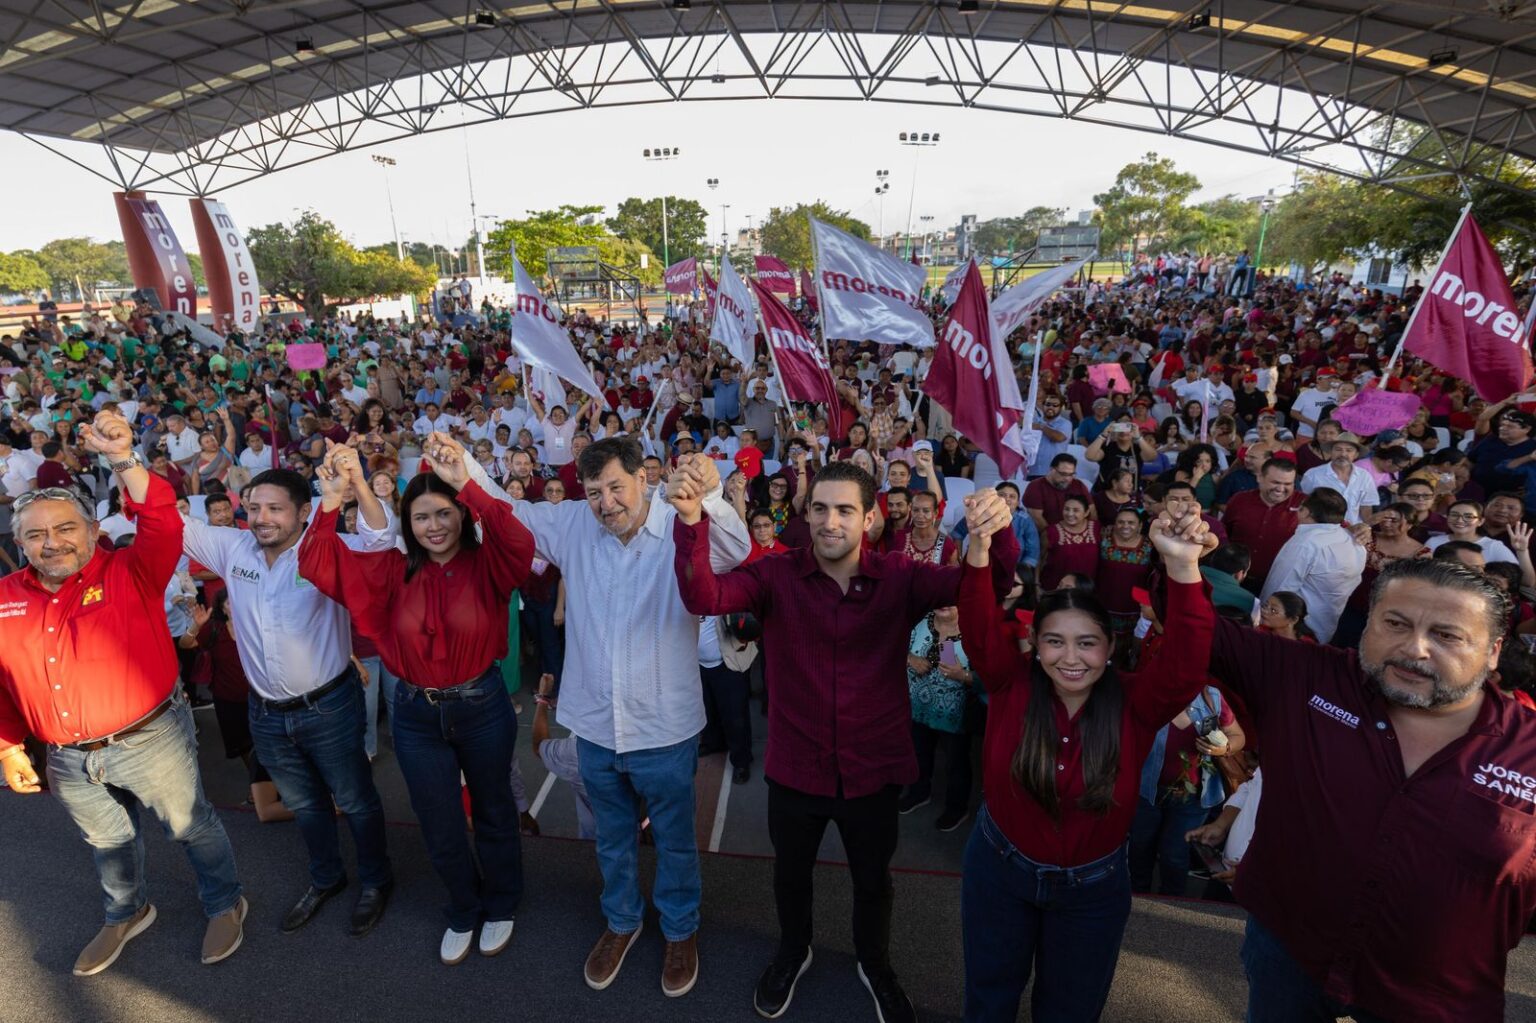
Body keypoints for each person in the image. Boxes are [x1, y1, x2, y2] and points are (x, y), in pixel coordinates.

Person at [671, 462, 1019, 1023]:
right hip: (795, 768)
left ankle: (875, 963)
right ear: (806, 515)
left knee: (873, 881)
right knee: (790, 875)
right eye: (820, 509)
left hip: (872, 769)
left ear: (870, 518)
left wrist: (993, 536)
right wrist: (691, 520)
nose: (831, 521)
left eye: (845, 510)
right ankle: (793, 950)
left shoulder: (902, 577)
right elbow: (703, 595)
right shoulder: (774, 575)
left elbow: (985, 586)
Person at [457, 437, 749, 998]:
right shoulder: (572, 525)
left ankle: (680, 930)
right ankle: (622, 921)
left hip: (664, 727)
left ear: (645, 478)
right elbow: (505, 508)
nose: (606, 503)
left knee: (674, 840)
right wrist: (461, 467)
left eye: (616, 487)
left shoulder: (680, 521)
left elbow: (734, 553)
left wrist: (710, 498)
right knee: (610, 839)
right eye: (594, 492)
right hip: (593, 725)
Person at [1203, 556, 1536, 1022]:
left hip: (1439, 995)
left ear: (1494, 651)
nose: (1415, 649)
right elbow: (1195, 630)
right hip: (1287, 952)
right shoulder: (1309, 677)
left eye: (1447, 635)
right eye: (1395, 623)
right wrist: (1180, 563)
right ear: (1366, 623)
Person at [0, 410, 246, 975]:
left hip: (149, 738)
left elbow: (161, 518)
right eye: (36, 534)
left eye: (66, 528)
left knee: (192, 826)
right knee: (107, 841)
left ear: (94, 530)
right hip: (66, 759)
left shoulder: (133, 571)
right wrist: (10, 747)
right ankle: (127, 912)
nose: (52, 542)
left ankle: (225, 901)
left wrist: (122, 458)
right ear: (19, 543)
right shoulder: (6, 596)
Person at [953, 490, 1214, 1022]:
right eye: (1054, 642)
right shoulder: (1009, 684)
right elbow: (978, 622)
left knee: (1071, 1010)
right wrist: (979, 545)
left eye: (1087, 643)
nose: (1070, 658)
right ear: (1034, 643)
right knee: (988, 997)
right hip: (999, 874)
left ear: (1111, 647)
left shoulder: (1135, 705)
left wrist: (1183, 566)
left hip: (1092, 892)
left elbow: (1187, 666)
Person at [299, 432, 535, 965]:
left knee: (495, 809)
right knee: (438, 817)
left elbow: (518, 540)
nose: (434, 526)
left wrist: (467, 484)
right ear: (409, 523)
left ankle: (501, 902)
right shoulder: (390, 571)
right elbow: (317, 562)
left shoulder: (489, 564)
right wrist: (333, 497)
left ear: (461, 516)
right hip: (413, 714)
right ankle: (463, 905)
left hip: (482, 706)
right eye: (422, 517)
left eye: (444, 513)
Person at [181, 447, 396, 937]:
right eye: (254, 507)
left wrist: (357, 485)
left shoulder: (330, 550)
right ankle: (327, 878)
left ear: (304, 511)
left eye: (275, 508)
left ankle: (377, 881)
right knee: (306, 805)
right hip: (267, 714)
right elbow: (169, 523)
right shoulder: (232, 549)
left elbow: (381, 537)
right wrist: (126, 457)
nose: (261, 518)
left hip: (330, 707)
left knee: (356, 799)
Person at [1261, 489, 1366, 644]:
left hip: (1292, 632)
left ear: (1306, 512)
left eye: (1301, 507)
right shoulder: (1356, 543)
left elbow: (1278, 589)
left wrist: (1260, 622)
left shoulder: (1306, 543)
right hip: (1326, 629)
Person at [1220, 458, 1304, 591]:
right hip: (1235, 582)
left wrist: (1349, 527)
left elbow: (1331, 527)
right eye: (1275, 482)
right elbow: (1223, 535)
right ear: (1259, 477)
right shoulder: (1239, 500)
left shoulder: (1304, 504)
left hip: (1280, 587)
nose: (1281, 489)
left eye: (1288, 484)